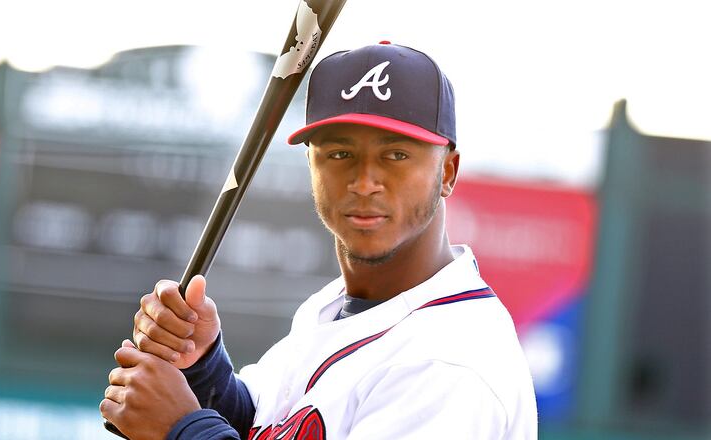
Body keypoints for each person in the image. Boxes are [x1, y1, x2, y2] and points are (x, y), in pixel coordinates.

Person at [100, 41, 538, 440]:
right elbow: (263, 426)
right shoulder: (334, 309)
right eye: (340, 154)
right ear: (312, 165)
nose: (364, 182)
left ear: (447, 173)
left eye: (396, 155)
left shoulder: (449, 362)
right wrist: (201, 367)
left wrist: (181, 429)